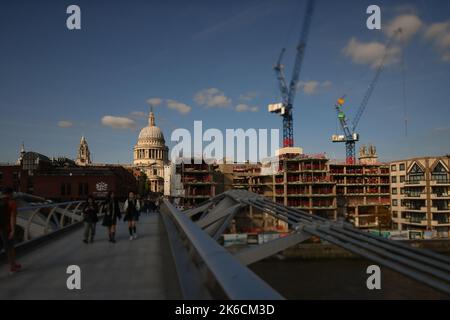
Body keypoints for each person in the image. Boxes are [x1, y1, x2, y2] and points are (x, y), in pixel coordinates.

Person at [0, 188, 21, 274]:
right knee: (10, 247)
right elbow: (13, 217)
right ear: (11, 194)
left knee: (8, 247)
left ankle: (13, 264)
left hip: (1, 228)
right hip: (7, 228)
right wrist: (13, 230)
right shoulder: (12, 203)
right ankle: (12, 266)